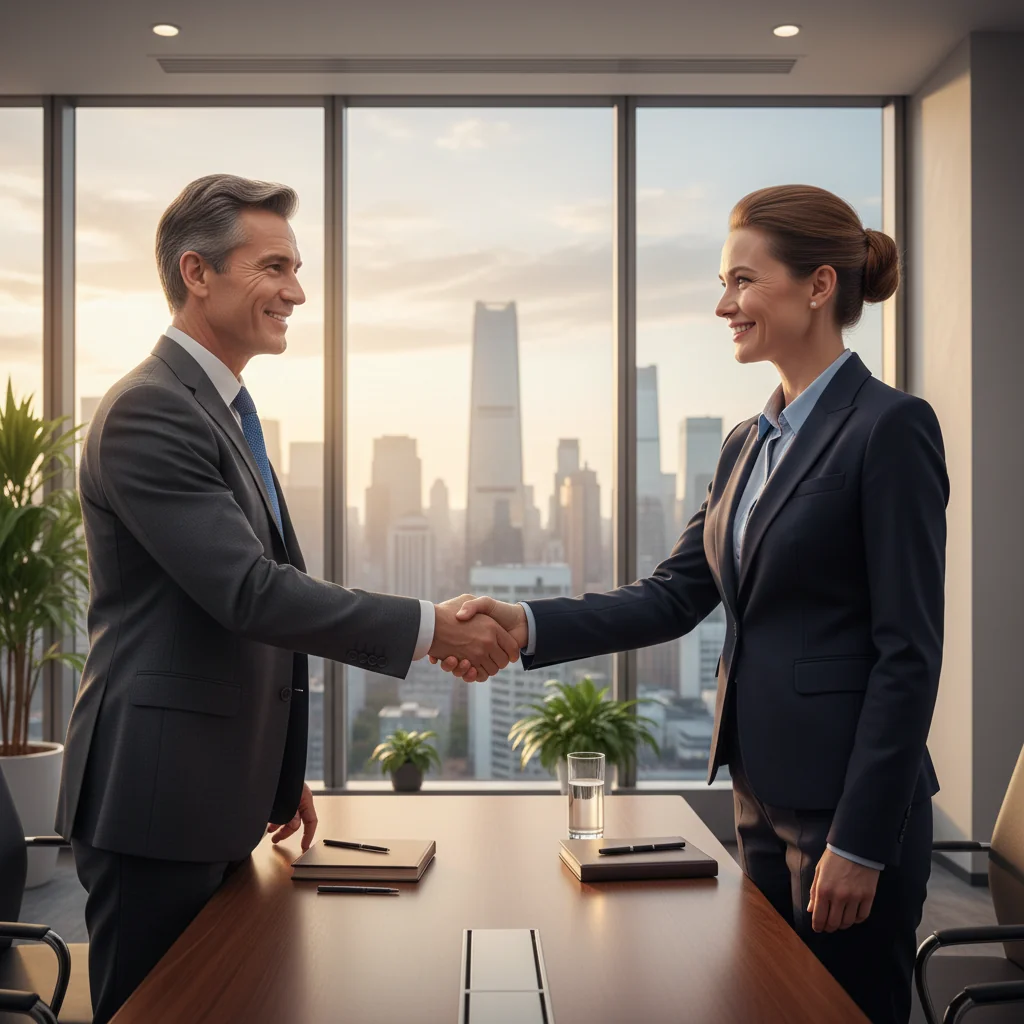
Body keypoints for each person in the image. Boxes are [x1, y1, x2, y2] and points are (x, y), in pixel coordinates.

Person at [443, 184, 948, 1024]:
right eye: (724, 283)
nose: (724, 305)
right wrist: (525, 624)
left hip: (849, 812)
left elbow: (909, 652)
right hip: (758, 797)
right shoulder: (747, 445)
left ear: (819, 286)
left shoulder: (889, 429)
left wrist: (861, 838)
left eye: (743, 281)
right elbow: (674, 596)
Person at [56, 173, 519, 1024]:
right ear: (197, 273)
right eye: (274, 267)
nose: (297, 292)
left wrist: (269, 769)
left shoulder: (223, 410)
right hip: (155, 803)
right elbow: (248, 592)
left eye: (297, 268)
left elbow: (229, 617)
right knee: (159, 1010)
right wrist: (428, 627)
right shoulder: (150, 411)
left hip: (206, 791)